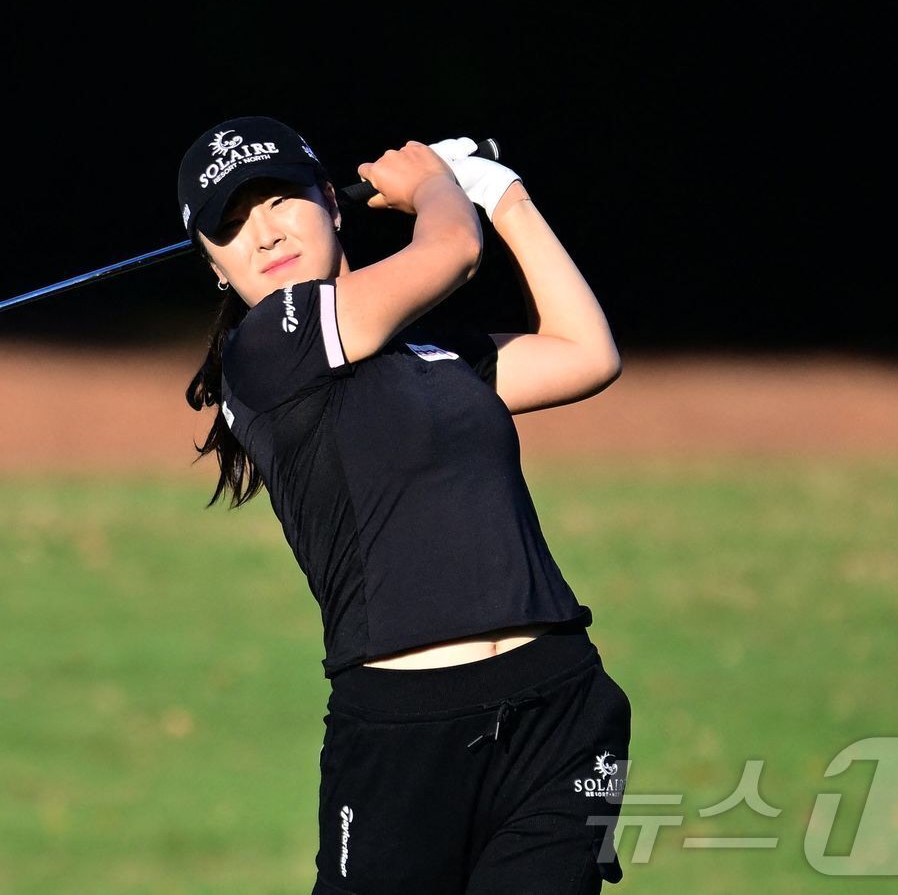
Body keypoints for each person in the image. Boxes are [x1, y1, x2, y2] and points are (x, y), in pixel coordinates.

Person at [179, 116, 631, 894]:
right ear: (216, 266)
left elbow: (586, 353)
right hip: (403, 735)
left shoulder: (436, 353)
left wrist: (506, 197)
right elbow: (451, 249)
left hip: (559, 706)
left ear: (330, 199)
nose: (265, 233)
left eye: (281, 199)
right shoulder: (264, 350)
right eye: (233, 224)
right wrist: (434, 187)